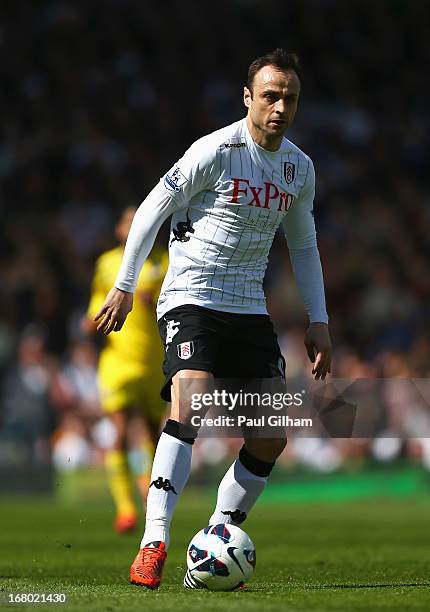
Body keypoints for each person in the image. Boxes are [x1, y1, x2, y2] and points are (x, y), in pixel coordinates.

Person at [95, 49, 332, 587]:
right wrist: (126, 286)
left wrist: (319, 319)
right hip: (192, 295)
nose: (280, 107)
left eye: (289, 98)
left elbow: (304, 244)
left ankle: (217, 537)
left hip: (248, 305)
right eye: (270, 95)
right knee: (191, 396)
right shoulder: (216, 150)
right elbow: (153, 205)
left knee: (271, 435)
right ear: (248, 97)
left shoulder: (298, 168)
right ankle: (154, 540)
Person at [83, 207, 167, 533]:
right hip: (117, 360)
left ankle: (150, 491)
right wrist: (91, 321)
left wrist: (153, 299)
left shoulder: (163, 260)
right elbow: (96, 304)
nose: (132, 227)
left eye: (138, 222)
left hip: (152, 361)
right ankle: (125, 508)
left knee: (151, 433)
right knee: (118, 431)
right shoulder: (106, 264)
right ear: (118, 229)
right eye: (126, 222)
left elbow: (172, 302)